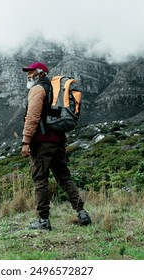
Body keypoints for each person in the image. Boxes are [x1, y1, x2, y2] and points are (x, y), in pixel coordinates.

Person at [21, 61, 91, 231]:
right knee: (64, 178)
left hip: (42, 143)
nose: (28, 75)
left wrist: (26, 141)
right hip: (59, 142)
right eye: (28, 72)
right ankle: (82, 212)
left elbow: (32, 117)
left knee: (40, 180)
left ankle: (43, 220)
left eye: (31, 72)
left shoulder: (38, 90)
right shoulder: (55, 90)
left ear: (40, 73)